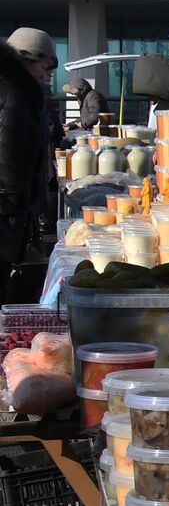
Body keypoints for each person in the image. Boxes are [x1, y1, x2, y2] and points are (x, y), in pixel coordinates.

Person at [0, 29, 55, 302]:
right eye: (43, 67)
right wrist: (17, 206)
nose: (46, 75)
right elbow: (9, 158)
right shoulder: (15, 96)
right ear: (27, 60)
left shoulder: (18, 92)